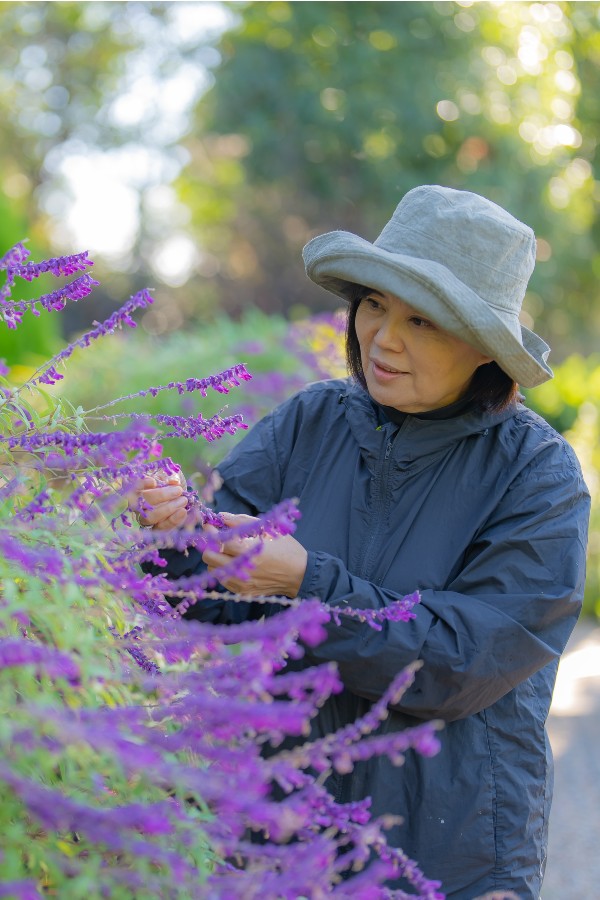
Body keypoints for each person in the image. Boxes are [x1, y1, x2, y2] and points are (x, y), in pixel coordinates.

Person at [136, 185, 590, 899]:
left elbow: (467, 661)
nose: (383, 337)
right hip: (282, 841)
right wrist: (168, 533)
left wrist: (307, 585)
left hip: (450, 858)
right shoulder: (308, 422)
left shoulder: (538, 476)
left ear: (483, 345)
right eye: (375, 303)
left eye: (422, 320)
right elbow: (209, 602)